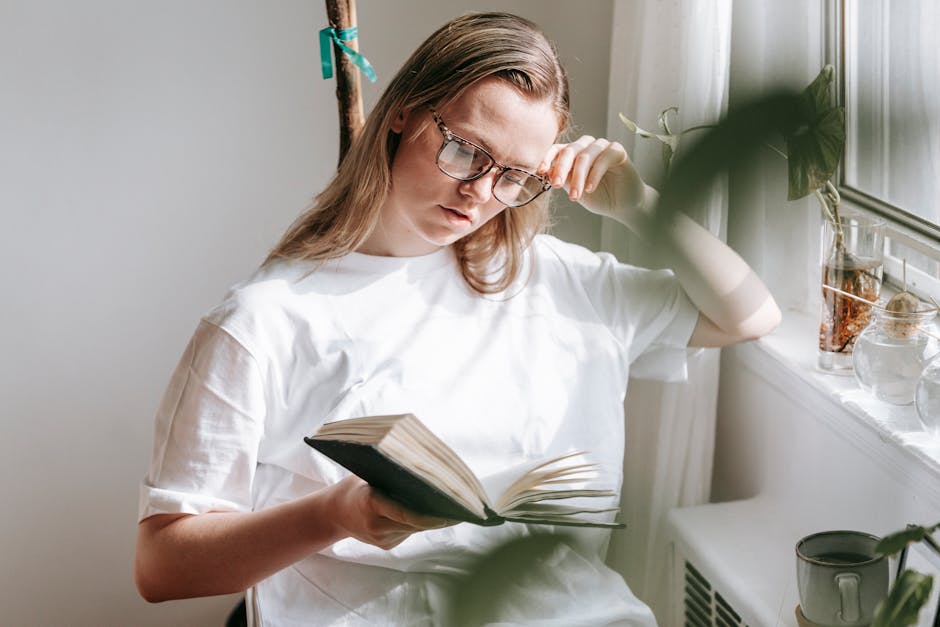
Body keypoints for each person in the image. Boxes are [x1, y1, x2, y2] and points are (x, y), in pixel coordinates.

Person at [134, 11, 780, 626]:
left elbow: (750, 314)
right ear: (406, 111)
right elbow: (162, 565)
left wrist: (640, 205)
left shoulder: (558, 282)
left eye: (515, 174)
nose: (479, 191)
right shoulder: (266, 320)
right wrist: (337, 514)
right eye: (465, 149)